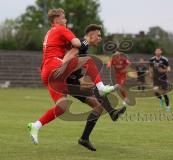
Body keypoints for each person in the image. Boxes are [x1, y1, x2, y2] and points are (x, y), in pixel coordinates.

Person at [27, 8, 118, 145]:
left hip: (46, 72)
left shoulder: (50, 32)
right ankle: (101, 88)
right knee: (88, 60)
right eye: (64, 17)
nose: (66, 20)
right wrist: (81, 44)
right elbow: (76, 44)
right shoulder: (60, 28)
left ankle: (36, 125)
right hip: (55, 65)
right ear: (57, 19)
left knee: (62, 106)